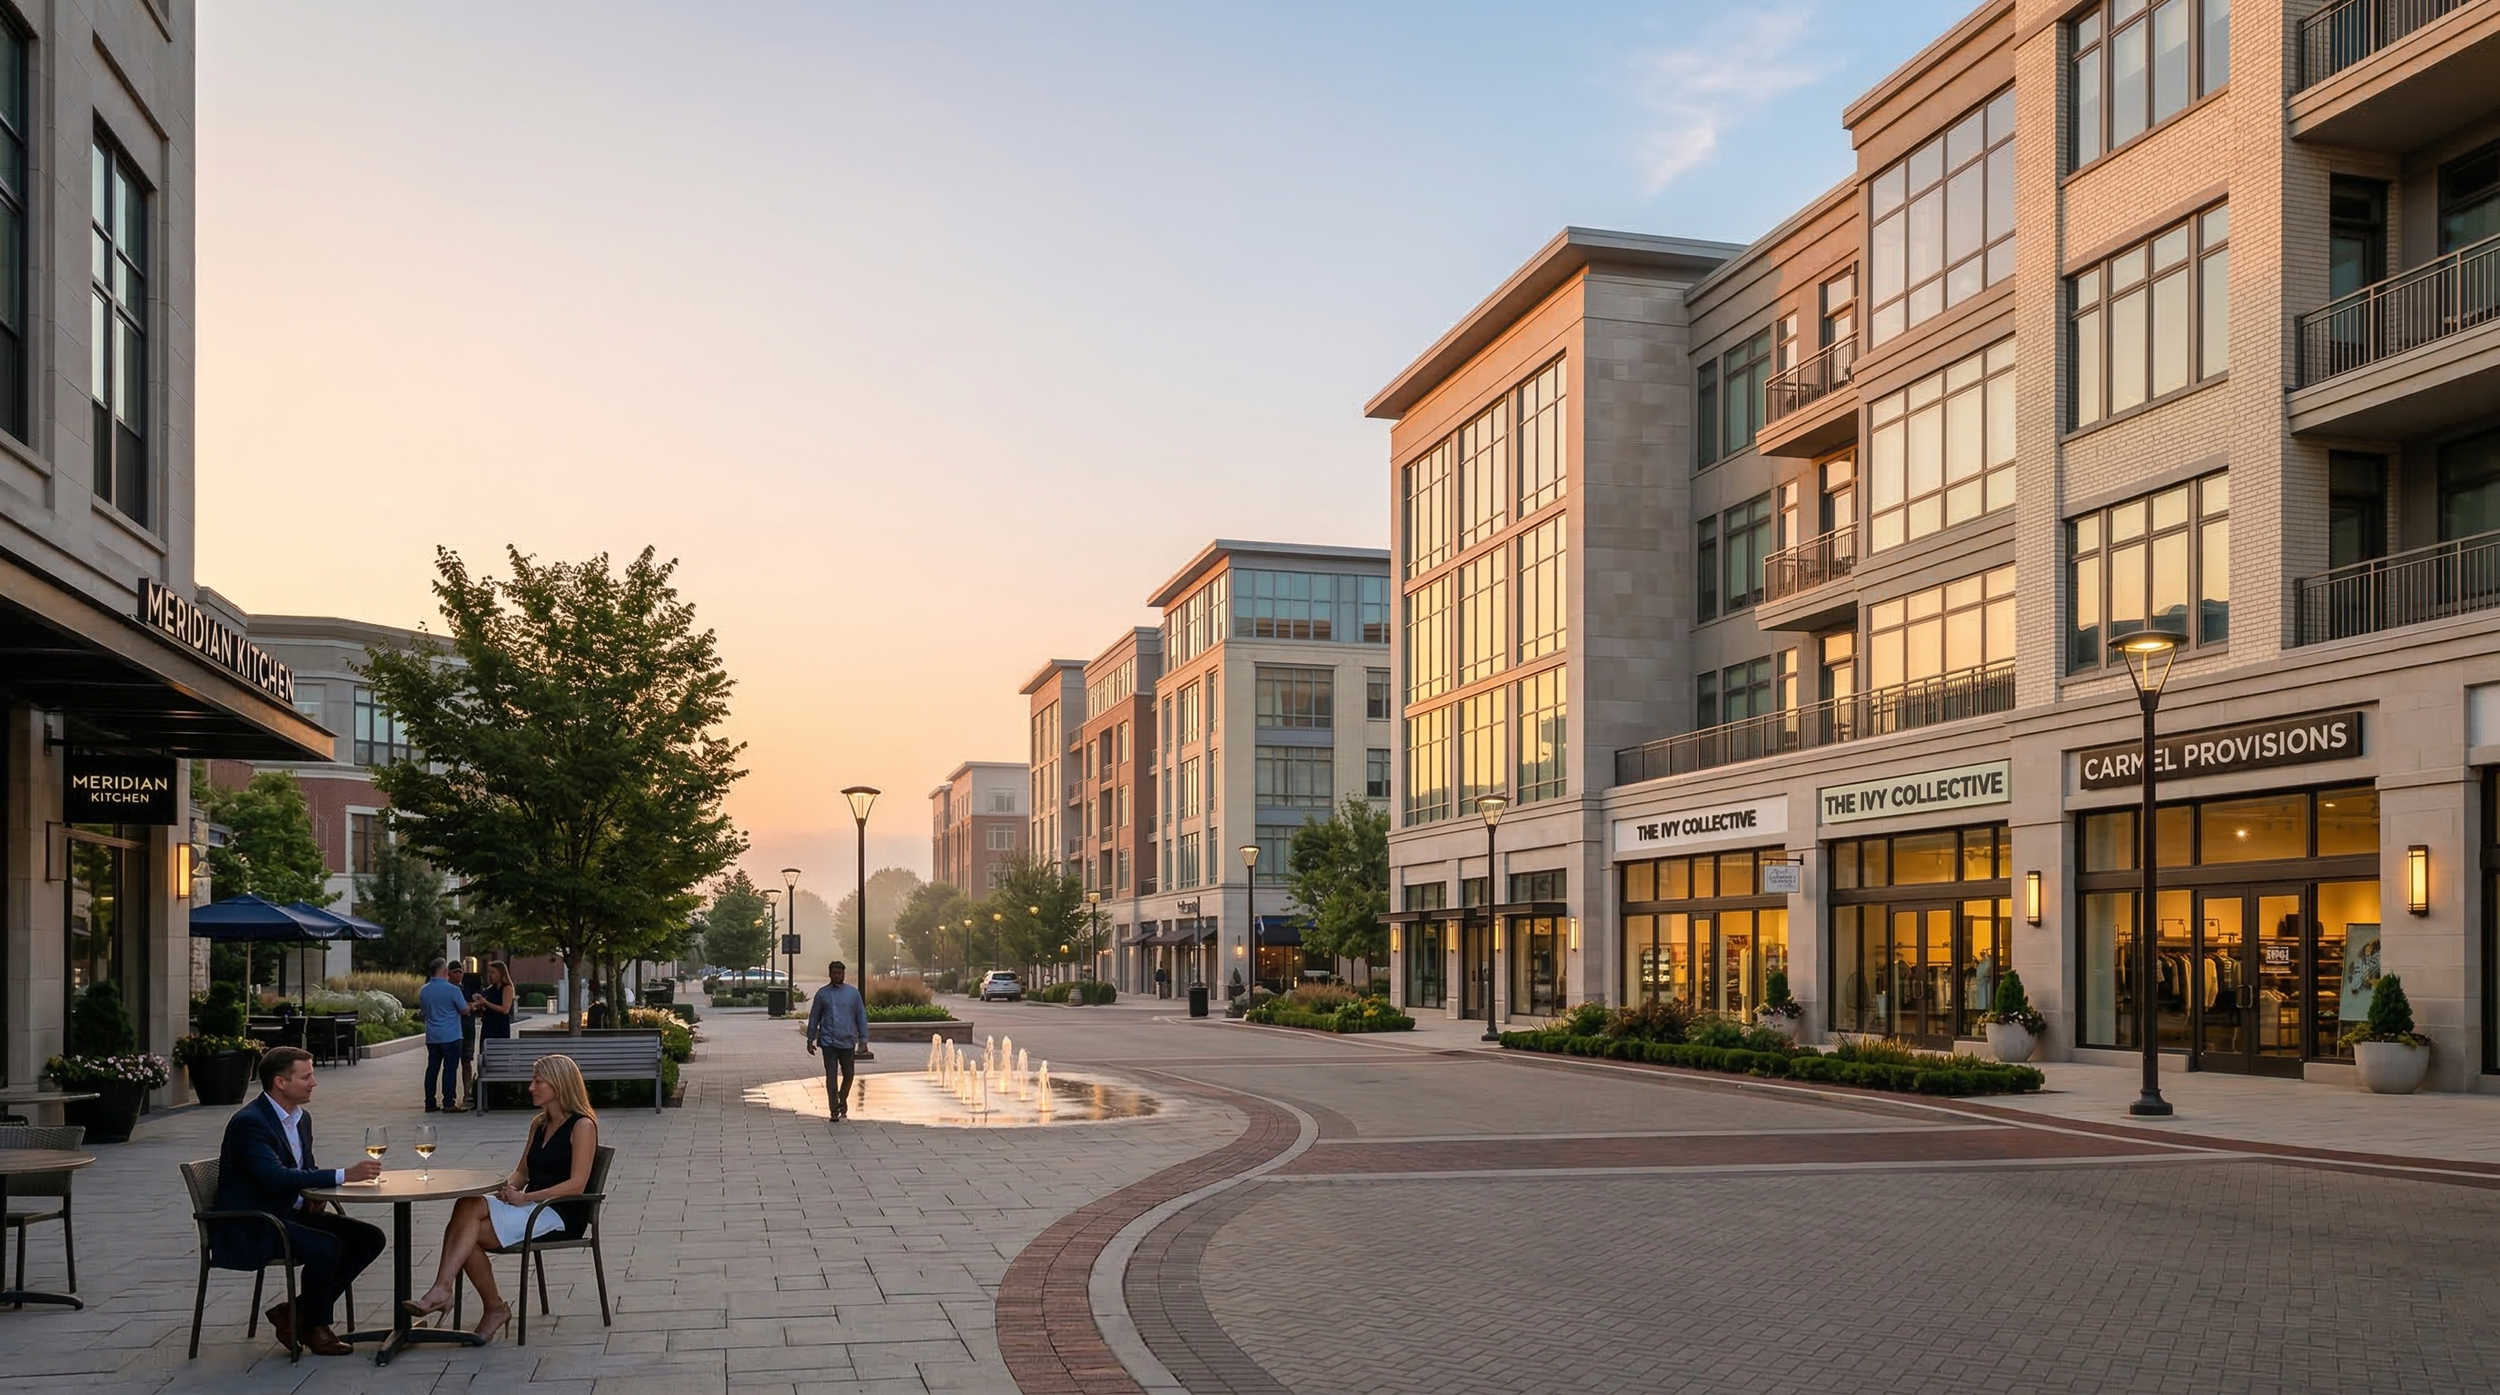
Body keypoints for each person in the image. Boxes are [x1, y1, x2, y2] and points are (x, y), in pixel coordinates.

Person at [402, 1054, 599, 1343]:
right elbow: (522, 1171)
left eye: (538, 1082)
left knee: (466, 1234)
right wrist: (505, 1189)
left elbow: (577, 1185)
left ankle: (459, 1297)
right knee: (468, 1206)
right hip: (530, 1204)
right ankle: (471, 1300)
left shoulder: (583, 1126)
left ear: (558, 1085)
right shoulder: (539, 1124)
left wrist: (525, 1197)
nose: (531, 1087)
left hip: (559, 1213)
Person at [209, 1046, 385, 1356]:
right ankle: (316, 1326)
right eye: (306, 1076)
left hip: (286, 1213)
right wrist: (343, 1175)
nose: (314, 1082)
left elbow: (304, 1171)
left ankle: (294, 1312)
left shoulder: (300, 1118)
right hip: (253, 1223)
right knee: (326, 1246)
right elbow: (274, 1178)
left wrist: (310, 1199)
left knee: (369, 1237)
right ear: (280, 1082)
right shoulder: (250, 1123)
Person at [804, 960, 869, 1125]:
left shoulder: (853, 994)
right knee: (831, 1076)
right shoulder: (822, 994)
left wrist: (863, 1040)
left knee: (849, 1074)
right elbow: (814, 1017)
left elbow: (860, 1016)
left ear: (844, 974)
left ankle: (842, 1097)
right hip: (828, 1042)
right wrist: (810, 1038)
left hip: (847, 1041)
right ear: (830, 974)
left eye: (840, 973)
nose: (837, 975)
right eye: (834, 973)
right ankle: (834, 1109)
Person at [418, 958, 471, 1113]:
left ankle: (430, 1101)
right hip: (451, 1035)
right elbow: (464, 1010)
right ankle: (448, 1102)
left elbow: (424, 1012)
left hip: (432, 1036)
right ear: (444, 972)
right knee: (450, 1069)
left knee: (432, 1068)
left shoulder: (424, 990)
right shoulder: (453, 990)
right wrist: (471, 1006)